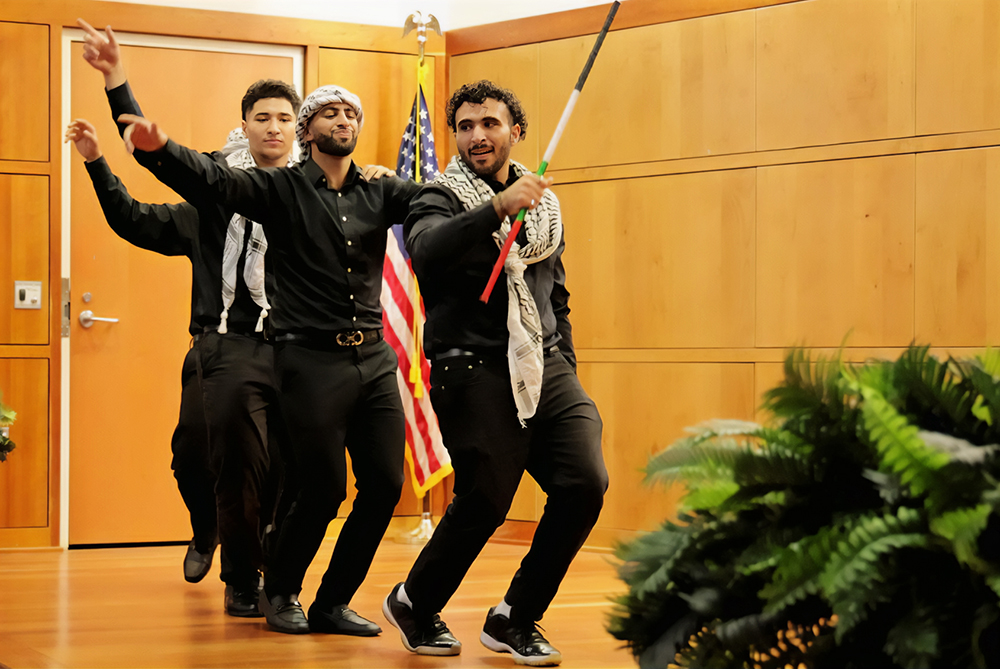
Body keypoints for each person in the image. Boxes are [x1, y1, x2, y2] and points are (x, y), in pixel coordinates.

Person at [115, 84, 422, 636]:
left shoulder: (358, 189)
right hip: (243, 347)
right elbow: (185, 188)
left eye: (349, 113)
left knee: (346, 480)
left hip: (335, 352)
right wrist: (138, 135)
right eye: (264, 118)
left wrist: (487, 202)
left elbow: (426, 208)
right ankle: (246, 569)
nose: (274, 127)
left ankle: (316, 594)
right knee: (224, 462)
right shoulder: (258, 190)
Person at [72, 19, 308, 618]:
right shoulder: (212, 193)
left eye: (285, 118)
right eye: (262, 117)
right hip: (221, 347)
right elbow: (134, 213)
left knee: (279, 469)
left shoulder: (310, 195)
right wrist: (101, 150)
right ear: (245, 126)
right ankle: (210, 531)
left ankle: (258, 570)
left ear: (297, 128)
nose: (273, 127)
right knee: (195, 460)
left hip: (292, 350)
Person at [383, 80, 608, 667]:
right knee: (486, 498)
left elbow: (554, 294)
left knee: (584, 482)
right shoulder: (437, 195)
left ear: (516, 131)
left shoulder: (544, 205)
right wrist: (497, 207)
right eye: (465, 126)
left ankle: (515, 617)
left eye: (490, 123)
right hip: (472, 367)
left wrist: (565, 363)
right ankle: (414, 602)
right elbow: (425, 250)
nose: (477, 135)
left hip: (544, 363)